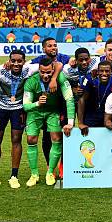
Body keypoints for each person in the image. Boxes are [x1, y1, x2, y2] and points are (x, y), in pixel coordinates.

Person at [0, 50, 39, 189]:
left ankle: (14, 176)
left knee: (16, 139)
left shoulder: (29, 69)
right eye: (13, 61)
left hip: (18, 109)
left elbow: (52, 64)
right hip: (0, 109)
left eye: (19, 61)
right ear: (9, 61)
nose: (16, 63)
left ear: (24, 61)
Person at [22, 57, 75, 187]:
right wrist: (37, 103)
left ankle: (50, 172)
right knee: (31, 139)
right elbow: (25, 106)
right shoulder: (31, 81)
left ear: (53, 70)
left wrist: (70, 122)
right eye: (42, 72)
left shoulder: (61, 78)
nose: (45, 75)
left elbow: (69, 100)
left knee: (56, 138)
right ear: (38, 70)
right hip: (35, 112)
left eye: (48, 72)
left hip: (53, 112)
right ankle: (34, 174)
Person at [77, 61, 112, 135]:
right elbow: (82, 99)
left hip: (110, 115)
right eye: (101, 71)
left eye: (107, 71)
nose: (104, 74)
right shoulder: (88, 79)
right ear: (97, 71)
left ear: (111, 71)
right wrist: (80, 123)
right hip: (92, 114)